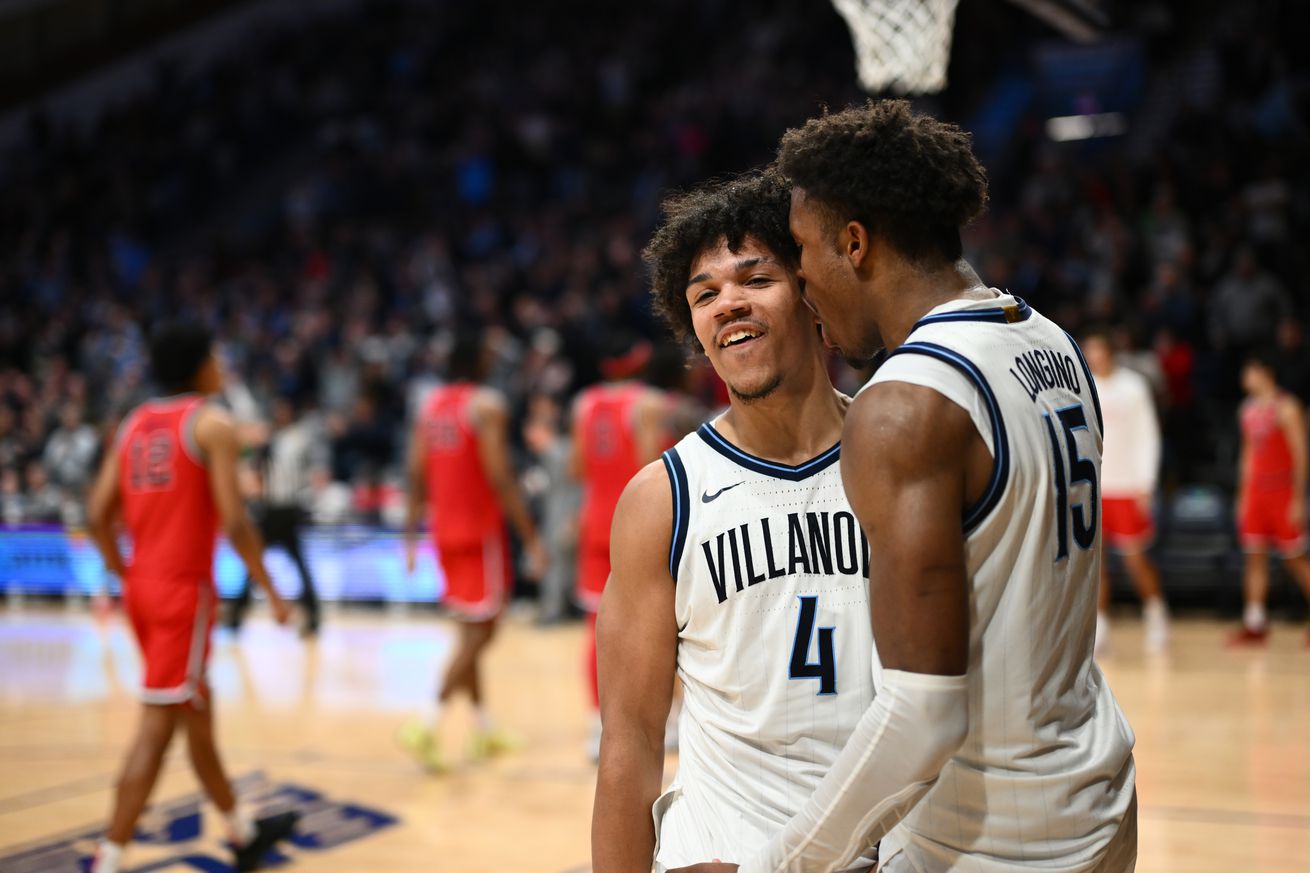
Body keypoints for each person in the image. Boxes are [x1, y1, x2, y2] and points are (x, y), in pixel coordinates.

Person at [675, 100, 1137, 873]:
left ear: (854, 244)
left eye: (803, 252)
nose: (805, 281)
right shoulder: (1047, 340)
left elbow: (922, 711)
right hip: (1096, 793)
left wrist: (774, 866)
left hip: (990, 836)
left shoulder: (902, 405)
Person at [592, 173, 877, 872]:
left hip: (889, 851)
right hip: (724, 852)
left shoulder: (900, 453)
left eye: (755, 278)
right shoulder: (663, 498)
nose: (729, 304)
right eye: (705, 294)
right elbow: (629, 736)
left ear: (811, 292)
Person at [84, 322, 298, 873]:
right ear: (199, 366)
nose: (222, 366)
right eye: (216, 357)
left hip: (144, 591)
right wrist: (273, 591)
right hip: (183, 593)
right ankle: (109, 857)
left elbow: (96, 515)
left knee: (195, 715)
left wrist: (126, 573)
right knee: (156, 731)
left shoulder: (134, 424)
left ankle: (241, 830)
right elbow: (234, 519)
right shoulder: (212, 423)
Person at [400, 331, 548, 771]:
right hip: (479, 533)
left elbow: (414, 471)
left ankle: (483, 729)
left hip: (442, 530)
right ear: (477, 360)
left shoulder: (429, 406)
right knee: (484, 633)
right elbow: (500, 476)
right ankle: (427, 722)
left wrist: (410, 535)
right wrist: (531, 537)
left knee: (469, 632)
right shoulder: (485, 405)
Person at [571, 336, 671, 758]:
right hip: (637, 523)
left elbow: (577, 468)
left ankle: (598, 725)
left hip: (595, 521)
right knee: (664, 620)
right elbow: (652, 466)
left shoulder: (584, 404)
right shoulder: (649, 403)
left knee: (598, 626)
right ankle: (675, 718)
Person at [1082, 328, 1169, 655]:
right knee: (1095, 562)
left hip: (1128, 485)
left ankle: (1156, 614)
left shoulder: (1133, 387)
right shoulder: (1083, 385)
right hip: (1095, 487)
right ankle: (1100, 625)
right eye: (1089, 350)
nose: (1094, 357)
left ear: (1110, 352)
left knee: (1135, 558)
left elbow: (1149, 436)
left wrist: (1146, 483)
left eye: (1098, 350)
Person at [1229, 353, 1310, 646]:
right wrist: (1243, 496)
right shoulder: (1247, 410)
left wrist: (1298, 499)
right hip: (1257, 492)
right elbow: (1248, 456)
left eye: (1248, 371)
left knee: (1295, 558)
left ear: (1265, 372)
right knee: (1255, 557)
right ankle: (1255, 623)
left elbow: (1301, 456)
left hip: (1283, 490)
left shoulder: (1286, 407)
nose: (1244, 378)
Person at [226, 395, 323, 637]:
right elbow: (254, 460)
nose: (281, 415)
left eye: (285, 410)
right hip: (270, 510)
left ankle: (312, 616)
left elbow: (309, 471)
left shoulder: (299, 439)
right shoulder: (270, 439)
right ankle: (236, 614)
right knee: (254, 562)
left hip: (288, 510)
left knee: (299, 565)